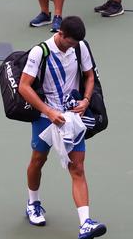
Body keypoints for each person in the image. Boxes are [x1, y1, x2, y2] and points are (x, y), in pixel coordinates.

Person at [18, 16, 107, 239]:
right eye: (71, 42)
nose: (73, 46)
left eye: (77, 43)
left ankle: (85, 223)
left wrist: (85, 100)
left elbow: (89, 76)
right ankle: (33, 203)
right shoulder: (40, 52)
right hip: (45, 115)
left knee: (77, 168)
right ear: (61, 34)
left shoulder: (81, 46)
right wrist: (49, 112)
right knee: (38, 160)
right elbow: (24, 87)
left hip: (71, 117)